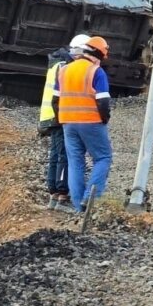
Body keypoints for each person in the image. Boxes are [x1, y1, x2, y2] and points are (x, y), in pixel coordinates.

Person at [52, 36, 113, 212]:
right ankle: (90, 198)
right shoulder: (96, 71)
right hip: (90, 121)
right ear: (98, 55)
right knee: (103, 157)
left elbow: (55, 100)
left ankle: (79, 208)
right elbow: (103, 102)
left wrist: (62, 118)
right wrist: (104, 118)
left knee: (75, 163)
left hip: (67, 122)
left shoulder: (64, 70)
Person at [38, 46, 73, 212]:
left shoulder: (54, 65)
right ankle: (62, 196)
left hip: (49, 117)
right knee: (63, 156)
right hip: (59, 117)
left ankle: (53, 195)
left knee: (55, 156)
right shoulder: (64, 67)